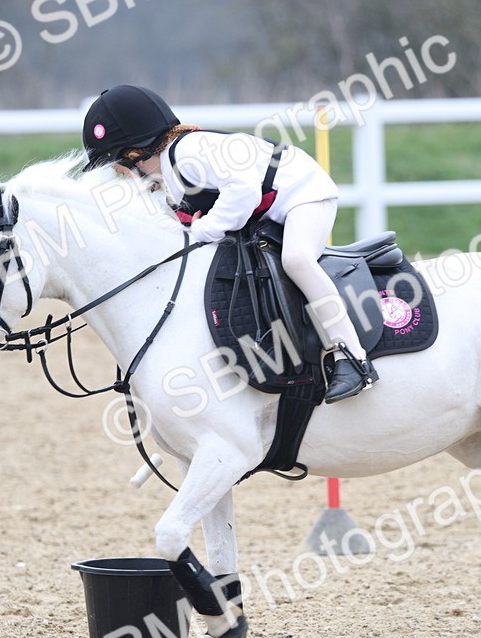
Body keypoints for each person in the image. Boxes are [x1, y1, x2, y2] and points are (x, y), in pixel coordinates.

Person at [81, 84, 377, 403]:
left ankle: (351, 356)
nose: (121, 175)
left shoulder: (188, 154)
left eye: (118, 166)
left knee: (297, 260)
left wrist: (204, 228)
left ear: (135, 153)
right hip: (270, 208)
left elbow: (244, 191)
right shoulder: (172, 170)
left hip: (304, 192)